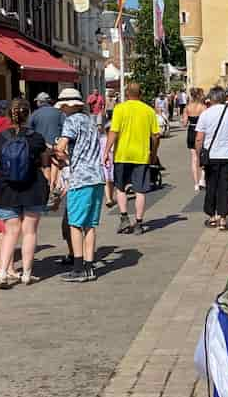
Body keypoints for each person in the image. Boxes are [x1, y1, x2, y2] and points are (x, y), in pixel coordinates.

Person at [0, 99, 50, 288]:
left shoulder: (0, 138)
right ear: (28, 115)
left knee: (11, 232)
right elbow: (44, 162)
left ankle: (2, 273)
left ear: (9, 114)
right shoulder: (36, 138)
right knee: (29, 231)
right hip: (32, 187)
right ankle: (26, 273)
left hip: (7, 188)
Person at [57, 88, 104, 282]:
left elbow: (61, 147)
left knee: (75, 224)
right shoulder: (90, 121)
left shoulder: (71, 121)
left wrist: (59, 153)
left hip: (81, 178)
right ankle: (89, 266)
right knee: (90, 225)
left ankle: (78, 268)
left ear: (68, 106)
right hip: (97, 176)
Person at [104, 82, 161, 235]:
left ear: (126, 93)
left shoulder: (119, 109)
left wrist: (106, 151)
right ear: (140, 94)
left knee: (121, 188)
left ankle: (124, 218)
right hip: (141, 155)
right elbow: (156, 136)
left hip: (122, 154)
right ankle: (139, 223)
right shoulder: (148, 111)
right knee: (140, 190)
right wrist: (153, 153)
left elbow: (113, 131)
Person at [196, 86, 228, 230]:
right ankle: (223, 219)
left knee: (211, 186)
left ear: (211, 99)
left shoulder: (205, 114)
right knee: (225, 187)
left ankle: (212, 217)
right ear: (224, 98)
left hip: (211, 157)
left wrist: (200, 155)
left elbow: (199, 139)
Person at [31, 92, 65, 204]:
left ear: (40, 102)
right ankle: (53, 188)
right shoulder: (59, 112)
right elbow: (65, 127)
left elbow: (30, 130)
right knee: (57, 166)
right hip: (57, 144)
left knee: (46, 168)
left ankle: (46, 190)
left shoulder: (35, 114)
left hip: (42, 146)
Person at [185, 87, 206, 191]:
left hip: (191, 131)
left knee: (193, 158)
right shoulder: (203, 107)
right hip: (201, 131)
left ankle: (196, 183)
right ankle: (202, 179)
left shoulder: (187, 107)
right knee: (202, 155)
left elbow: (184, 123)